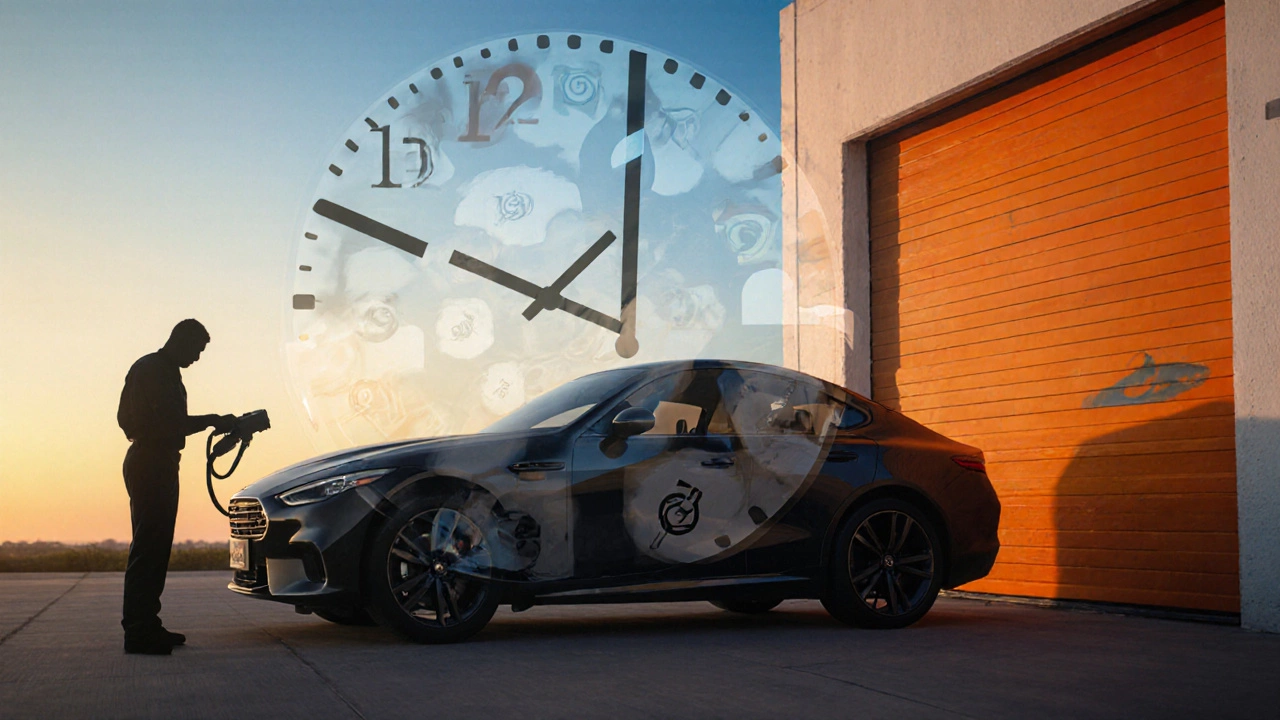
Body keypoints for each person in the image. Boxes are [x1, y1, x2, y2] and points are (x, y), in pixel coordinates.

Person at [116, 319, 234, 655]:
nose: (197, 358)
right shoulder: (154, 370)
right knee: (149, 547)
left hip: (158, 460)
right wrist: (212, 419)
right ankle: (138, 632)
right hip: (151, 461)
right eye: (197, 350)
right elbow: (169, 423)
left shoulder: (161, 370)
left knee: (156, 548)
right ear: (181, 340)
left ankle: (147, 625)